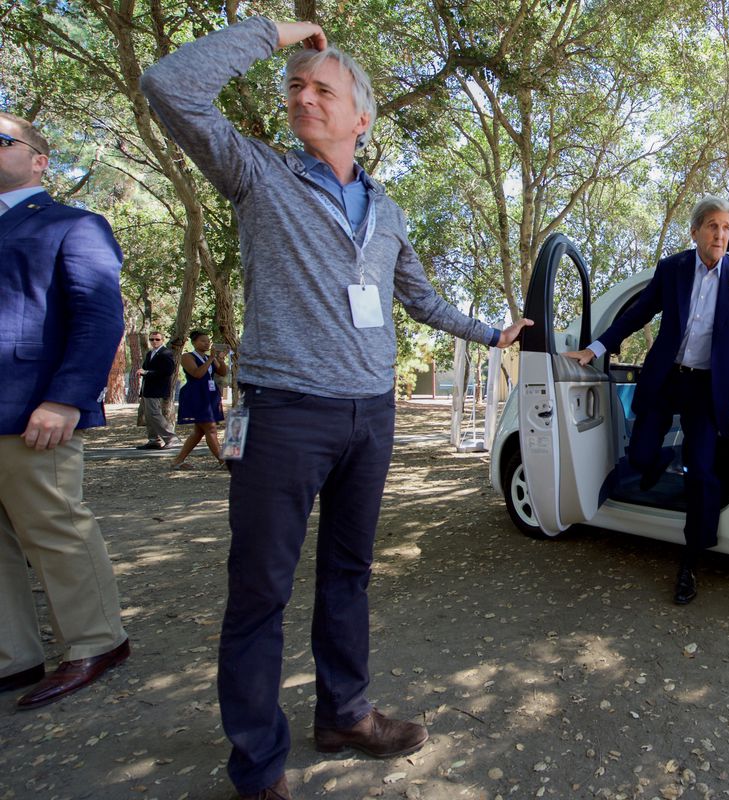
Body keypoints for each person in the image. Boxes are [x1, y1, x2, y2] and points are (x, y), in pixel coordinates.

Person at [141, 19, 532, 800]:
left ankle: (345, 714)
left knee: (350, 573)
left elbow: (417, 300)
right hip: (283, 411)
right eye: (296, 86)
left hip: (370, 415)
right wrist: (276, 33)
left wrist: (494, 331)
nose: (303, 95)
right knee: (260, 589)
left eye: (325, 88)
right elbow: (168, 85)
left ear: (363, 118)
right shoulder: (256, 172)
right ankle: (257, 766)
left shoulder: (386, 210)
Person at [565, 196, 729, 606]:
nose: (720, 235)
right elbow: (638, 313)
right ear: (695, 232)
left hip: (710, 389)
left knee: (703, 472)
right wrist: (595, 348)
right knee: (637, 456)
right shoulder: (672, 270)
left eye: (725, 228)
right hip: (667, 377)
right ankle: (652, 462)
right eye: (712, 226)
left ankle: (692, 558)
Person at [0, 112, 131, 709]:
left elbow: (100, 314)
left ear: (38, 160)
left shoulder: (73, 225)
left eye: (1, 140)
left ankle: (95, 641)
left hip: (32, 411)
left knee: (54, 527)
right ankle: (14, 656)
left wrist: (65, 398)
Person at [170, 330, 227, 470]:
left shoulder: (211, 358)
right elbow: (197, 374)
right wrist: (210, 359)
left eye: (208, 341)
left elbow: (223, 372)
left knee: (199, 431)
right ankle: (222, 461)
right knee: (210, 427)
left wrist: (219, 359)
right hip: (195, 394)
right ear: (194, 343)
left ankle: (178, 461)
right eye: (203, 341)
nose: (206, 343)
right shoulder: (187, 357)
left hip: (209, 395)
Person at [135, 330, 179, 449]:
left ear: (162, 340)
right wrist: (143, 372)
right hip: (147, 388)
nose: (154, 341)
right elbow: (145, 368)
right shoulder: (150, 354)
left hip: (157, 388)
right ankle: (154, 440)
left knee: (154, 414)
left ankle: (171, 438)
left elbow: (168, 371)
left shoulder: (166, 353)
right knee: (149, 416)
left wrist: (147, 373)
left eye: (157, 339)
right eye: (152, 339)